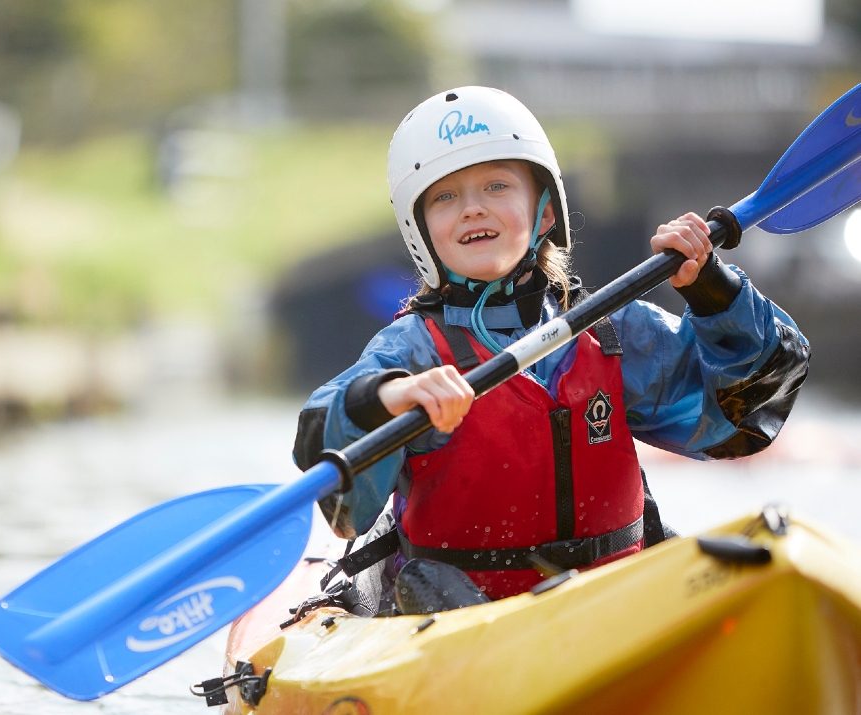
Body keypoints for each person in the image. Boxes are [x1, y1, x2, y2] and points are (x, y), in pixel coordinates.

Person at [292, 87, 811, 616]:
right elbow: (340, 498)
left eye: (497, 186)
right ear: (421, 230)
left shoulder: (611, 331)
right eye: (445, 197)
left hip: (613, 604)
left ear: (543, 214)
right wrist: (390, 396)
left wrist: (711, 290)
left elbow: (742, 418)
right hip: (460, 621)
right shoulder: (412, 351)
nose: (472, 208)